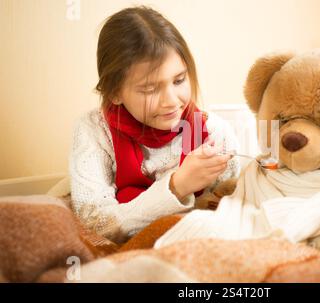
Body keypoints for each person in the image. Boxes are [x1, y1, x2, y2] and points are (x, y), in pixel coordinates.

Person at [69, 6, 240, 243]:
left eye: (179, 80)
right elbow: (96, 223)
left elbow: (237, 203)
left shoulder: (213, 132)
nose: (171, 101)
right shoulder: (94, 131)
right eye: (150, 89)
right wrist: (177, 186)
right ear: (114, 92)